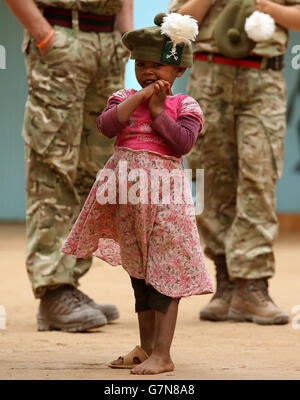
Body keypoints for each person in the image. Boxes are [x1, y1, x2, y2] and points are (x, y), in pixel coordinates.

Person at [61, 12, 213, 374]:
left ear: (178, 71)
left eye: (159, 66)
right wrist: (140, 99)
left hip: (166, 202)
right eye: (142, 64)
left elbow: (182, 144)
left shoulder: (186, 106)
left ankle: (164, 354)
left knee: (165, 275)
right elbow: (107, 125)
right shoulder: (122, 97)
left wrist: (158, 112)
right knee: (140, 276)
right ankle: (146, 348)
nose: (149, 72)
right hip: (128, 198)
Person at [4, 0, 133, 332]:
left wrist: (126, 32)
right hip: (62, 33)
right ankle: (53, 288)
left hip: (107, 41)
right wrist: (44, 35)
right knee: (53, 162)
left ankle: (70, 283)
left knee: (93, 169)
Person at [169, 0, 300, 325]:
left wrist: (264, 7)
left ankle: (252, 285)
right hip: (211, 77)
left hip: (263, 80)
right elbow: (177, 23)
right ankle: (226, 283)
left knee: (259, 176)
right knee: (214, 179)